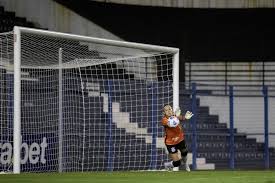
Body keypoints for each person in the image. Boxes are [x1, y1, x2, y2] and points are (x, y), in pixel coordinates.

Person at [161, 104, 193, 171]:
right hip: (170, 143)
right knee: (177, 163)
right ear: (164, 113)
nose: (169, 111)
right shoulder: (164, 120)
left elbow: (181, 118)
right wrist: (176, 116)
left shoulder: (175, 115)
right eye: (166, 110)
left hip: (180, 139)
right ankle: (167, 165)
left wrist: (185, 117)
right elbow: (171, 124)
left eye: (170, 109)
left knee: (184, 153)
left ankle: (186, 164)